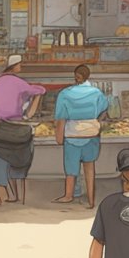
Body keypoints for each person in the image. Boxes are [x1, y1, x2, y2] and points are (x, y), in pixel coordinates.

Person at [0, 54, 45, 206]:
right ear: (15, 66)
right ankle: (17, 188)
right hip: (16, 131)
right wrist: (41, 91)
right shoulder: (18, 82)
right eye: (20, 64)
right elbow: (36, 93)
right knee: (23, 151)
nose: (21, 67)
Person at [53, 63, 107, 208]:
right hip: (92, 135)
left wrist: (59, 138)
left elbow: (61, 118)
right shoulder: (96, 93)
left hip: (72, 135)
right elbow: (104, 110)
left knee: (71, 169)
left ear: (76, 77)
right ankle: (91, 199)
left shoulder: (65, 93)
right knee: (89, 167)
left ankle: (68, 196)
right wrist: (96, 122)